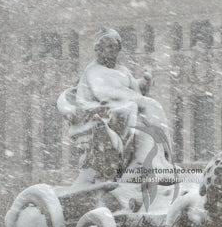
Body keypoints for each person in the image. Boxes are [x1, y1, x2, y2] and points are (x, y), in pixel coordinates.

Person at [58, 29, 175, 182]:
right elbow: (107, 93)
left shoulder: (123, 70)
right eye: (109, 46)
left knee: (151, 109)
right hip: (97, 113)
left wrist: (144, 84)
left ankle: (160, 160)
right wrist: (136, 98)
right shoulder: (93, 70)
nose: (113, 50)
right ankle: (136, 162)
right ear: (99, 49)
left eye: (115, 46)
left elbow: (135, 90)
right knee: (134, 110)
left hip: (118, 108)